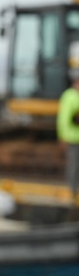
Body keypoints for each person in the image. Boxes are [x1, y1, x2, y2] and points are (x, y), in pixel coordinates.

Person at [58, 72, 79, 206]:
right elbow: (64, 119)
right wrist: (63, 137)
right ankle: (73, 192)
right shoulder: (69, 96)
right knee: (73, 166)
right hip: (73, 138)